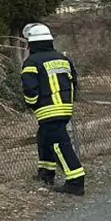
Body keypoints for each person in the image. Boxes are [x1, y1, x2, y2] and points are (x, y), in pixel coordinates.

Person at [21, 22, 84, 195]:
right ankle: (46, 173)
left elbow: (30, 89)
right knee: (44, 137)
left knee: (59, 144)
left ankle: (76, 181)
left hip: (47, 110)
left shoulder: (31, 62)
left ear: (31, 44)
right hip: (65, 108)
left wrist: (31, 104)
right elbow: (75, 82)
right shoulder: (62, 59)